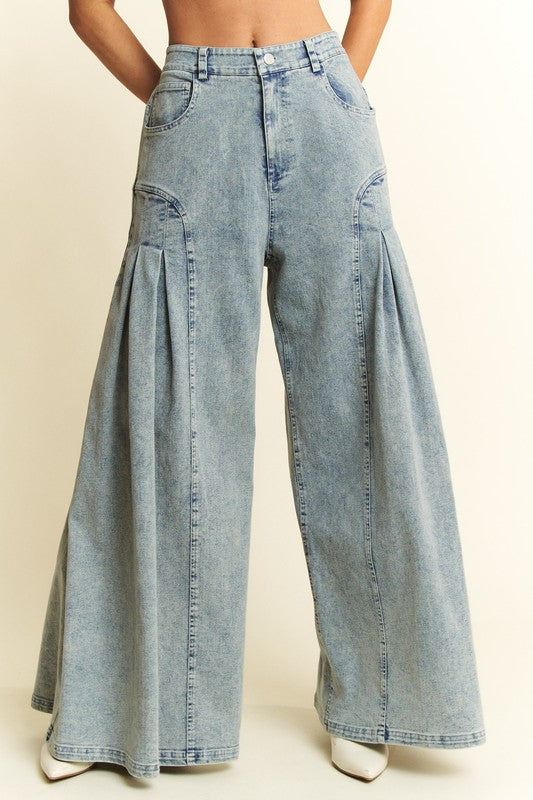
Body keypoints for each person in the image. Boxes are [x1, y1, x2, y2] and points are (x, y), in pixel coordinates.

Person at [31, 0, 487, 784]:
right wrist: (178, 97)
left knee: (360, 405)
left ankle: (376, 700)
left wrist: (335, 87)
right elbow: (87, 9)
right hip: (196, 111)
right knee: (168, 404)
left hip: (322, 98)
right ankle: (115, 705)